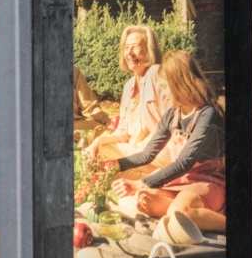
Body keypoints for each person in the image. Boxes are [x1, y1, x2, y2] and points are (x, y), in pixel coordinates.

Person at [109, 50, 225, 233]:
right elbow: (148, 154)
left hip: (208, 184)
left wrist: (141, 182)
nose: (160, 93)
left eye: (163, 87)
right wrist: (114, 165)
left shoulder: (207, 115)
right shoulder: (172, 115)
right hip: (181, 182)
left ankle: (228, 223)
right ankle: (186, 215)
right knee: (142, 200)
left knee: (178, 211)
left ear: (179, 83)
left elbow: (184, 162)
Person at [85, 25, 166, 174]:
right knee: (95, 152)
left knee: (106, 165)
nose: (129, 53)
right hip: (133, 150)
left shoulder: (157, 74)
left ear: (149, 50)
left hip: (156, 153)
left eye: (135, 47)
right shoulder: (128, 86)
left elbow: (167, 126)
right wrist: (100, 140)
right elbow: (123, 132)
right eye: (126, 47)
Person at [73, 65, 110, 143]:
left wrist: (106, 121)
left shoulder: (73, 72)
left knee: (107, 134)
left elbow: (88, 104)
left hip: (74, 125)